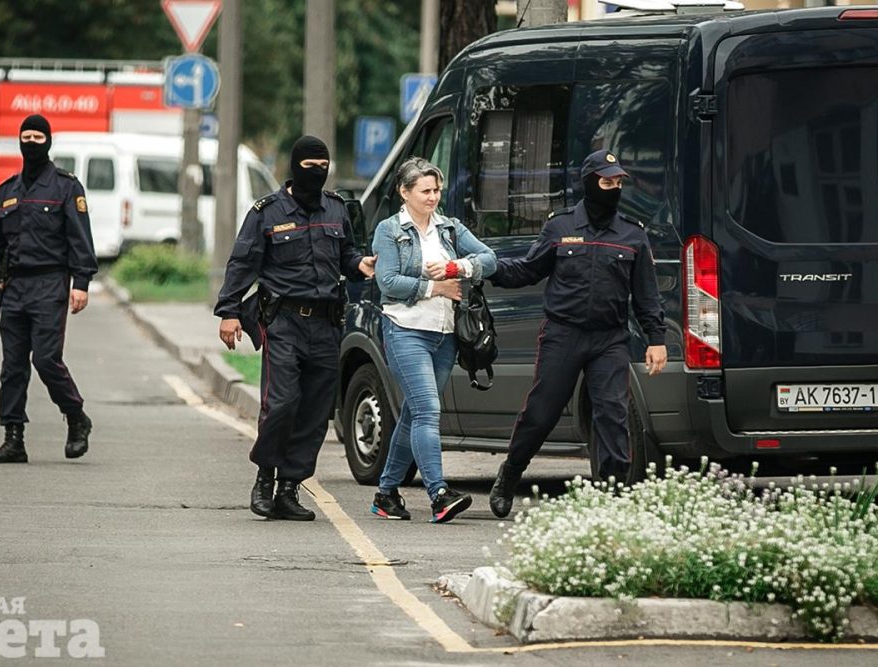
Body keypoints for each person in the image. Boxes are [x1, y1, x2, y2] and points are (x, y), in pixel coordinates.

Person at [487, 149, 667, 518]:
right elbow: (527, 270)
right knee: (542, 411)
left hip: (609, 340)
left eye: (618, 182)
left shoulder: (632, 235)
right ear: (589, 182)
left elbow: (647, 295)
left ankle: (613, 498)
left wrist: (657, 339)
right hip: (563, 335)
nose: (614, 188)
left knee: (612, 416)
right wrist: (485, 268)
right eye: (607, 181)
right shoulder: (561, 227)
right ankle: (510, 474)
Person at [215, 135, 376, 521]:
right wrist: (229, 311)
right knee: (282, 403)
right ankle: (265, 477)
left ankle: (290, 488)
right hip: (283, 321)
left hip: (326, 324)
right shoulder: (267, 212)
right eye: (310, 165)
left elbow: (347, 254)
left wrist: (359, 265)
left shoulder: (336, 209)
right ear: (294, 166)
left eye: (324, 165)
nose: (317, 171)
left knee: (315, 411)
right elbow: (243, 262)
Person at [369, 157, 497, 523]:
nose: (433, 197)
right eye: (425, 190)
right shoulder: (389, 231)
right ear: (404, 191)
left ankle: (386, 494)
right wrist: (434, 287)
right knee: (427, 410)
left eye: (436, 189)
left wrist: (459, 267)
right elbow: (388, 282)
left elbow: (490, 259)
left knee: (413, 413)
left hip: (446, 335)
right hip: (406, 330)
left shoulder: (450, 229)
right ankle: (438, 493)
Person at [0, 114, 98, 464]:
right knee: (12, 365)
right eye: (25, 136)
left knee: (45, 359)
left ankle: (76, 416)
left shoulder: (66, 187)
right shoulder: (8, 191)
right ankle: (13, 439)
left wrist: (81, 283)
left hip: (50, 284)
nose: (31, 142)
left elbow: (80, 239)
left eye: (37, 137)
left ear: (48, 141)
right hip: (13, 287)